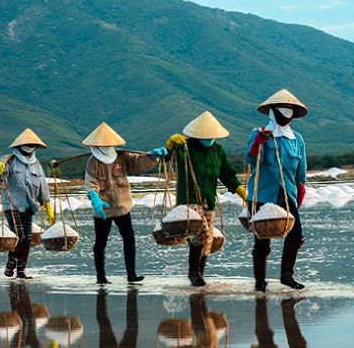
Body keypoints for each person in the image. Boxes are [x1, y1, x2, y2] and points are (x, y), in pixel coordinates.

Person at [156, 112, 246, 287]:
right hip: (189, 199)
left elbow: (226, 173)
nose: (210, 138)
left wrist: (239, 189)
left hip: (208, 199)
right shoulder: (186, 147)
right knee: (203, 233)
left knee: (208, 238)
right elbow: (168, 157)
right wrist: (168, 147)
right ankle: (193, 273)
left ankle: (200, 274)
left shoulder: (218, 150)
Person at [246, 89, 308, 292]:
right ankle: (260, 283)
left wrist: (300, 188)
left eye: (289, 111)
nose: (286, 115)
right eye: (282, 111)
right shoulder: (260, 133)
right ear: (273, 112)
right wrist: (258, 144)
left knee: (296, 235)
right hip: (263, 194)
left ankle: (286, 275)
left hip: (287, 193)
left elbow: (301, 169)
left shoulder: (297, 139)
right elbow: (251, 160)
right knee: (263, 240)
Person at [83, 122, 158, 284]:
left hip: (122, 205)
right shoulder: (92, 162)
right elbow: (91, 182)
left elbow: (138, 163)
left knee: (129, 237)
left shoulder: (121, 156)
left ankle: (131, 274)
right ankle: (101, 277)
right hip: (103, 208)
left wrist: (152, 158)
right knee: (101, 242)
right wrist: (94, 197)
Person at [0, 129, 55, 279]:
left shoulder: (36, 164)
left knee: (28, 238)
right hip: (12, 204)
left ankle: (21, 270)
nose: (29, 146)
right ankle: (11, 261)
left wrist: (48, 206)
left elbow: (42, 185)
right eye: (27, 144)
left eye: (32, 144)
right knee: (18, 235)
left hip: (30, 206)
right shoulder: (8, 159)